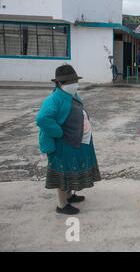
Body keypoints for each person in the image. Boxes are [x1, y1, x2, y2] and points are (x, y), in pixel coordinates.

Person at [36, 65, 101, 215]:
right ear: (59, 84)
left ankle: (69, 195)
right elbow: (42, 119)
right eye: (69, 82)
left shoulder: (72, 95)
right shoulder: (54, 99)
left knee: (71, 168)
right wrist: (58, 132)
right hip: (63, 143)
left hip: (75, 140)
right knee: (62, 172)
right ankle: (61, 204)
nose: (74, 84)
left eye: (74, 80)